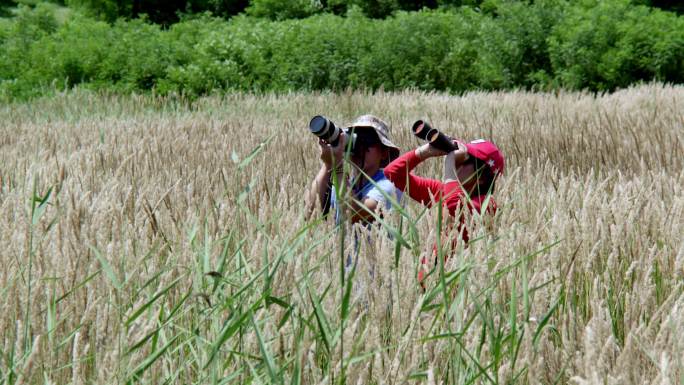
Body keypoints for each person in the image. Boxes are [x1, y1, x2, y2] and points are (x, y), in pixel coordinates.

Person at [383, 137, 504, 286]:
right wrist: (424, 152)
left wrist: (449, 166)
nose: (456, 162)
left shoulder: (487, 204)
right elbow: (393, 174)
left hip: (458, 297)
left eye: (464, 160)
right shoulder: (444, 192)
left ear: (481, 176)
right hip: (430, 291)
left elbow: (455, 207)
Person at [308, 115, 403, 224]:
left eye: (368, 140)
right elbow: (310, 214)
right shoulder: (343, 184)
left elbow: (352, 214)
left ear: (384, 153)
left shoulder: (389, 186)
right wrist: (328, 164)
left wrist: (337, 165)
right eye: (357, 139)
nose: (360, 147)